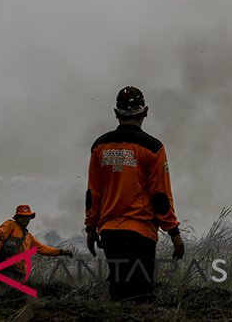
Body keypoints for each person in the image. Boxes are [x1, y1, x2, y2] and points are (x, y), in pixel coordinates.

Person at [85, 85, 185, 302]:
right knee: (140, 297)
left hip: (109, 233)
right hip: (140, 234)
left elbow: (94, 194)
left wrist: (91, 228)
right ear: (145, 111)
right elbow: (160, 197)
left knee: (118, 294)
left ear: (116, 113)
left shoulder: (99, 146)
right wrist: (174, 234)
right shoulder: (153, 148)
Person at [0, 205, 72, 297]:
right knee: (8, 293)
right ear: (17, 218)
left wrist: (60, 252)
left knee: (19, 296)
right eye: (22, 217)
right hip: (5, 267)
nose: (25, 219)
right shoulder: (10, 225)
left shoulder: (28, 237)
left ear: (30, 218)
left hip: (20, 272)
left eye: (27, 217)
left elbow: (42, 248)